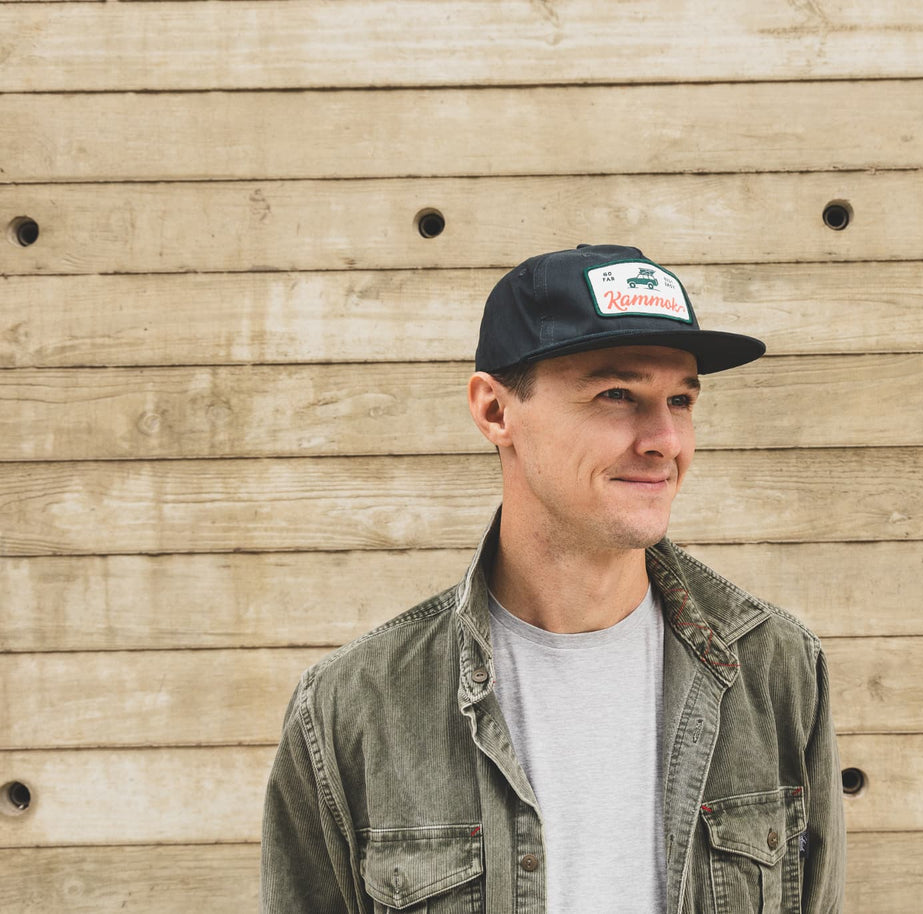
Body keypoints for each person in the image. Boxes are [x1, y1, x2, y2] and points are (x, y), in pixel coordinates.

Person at [260, 244, 846, 913]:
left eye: (681, 400)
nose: (665, 440)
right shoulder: (356, 708)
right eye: (617, 394)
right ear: (494, 411)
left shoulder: (776, 669)